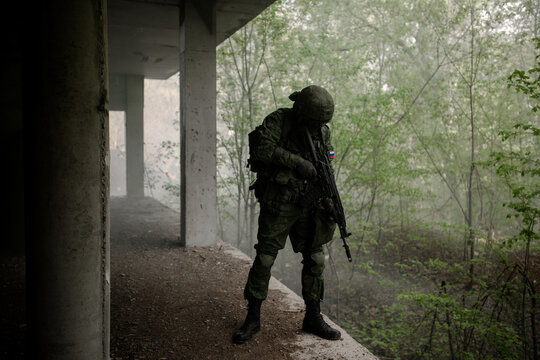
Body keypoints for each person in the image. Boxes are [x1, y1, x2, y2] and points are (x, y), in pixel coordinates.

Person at [232, 85, 341, 344]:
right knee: (266, 259)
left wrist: (330, 198)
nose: (318, 126)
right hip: (280, 202)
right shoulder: (279, 120)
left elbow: (327, 163)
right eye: (314, 121)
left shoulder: (322, 132)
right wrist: (298, 163)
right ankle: (253, 318)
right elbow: (262, 150)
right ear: (302, 111)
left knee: (315, 259)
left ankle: (313, 316)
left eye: (321, 123)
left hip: (309, 204)